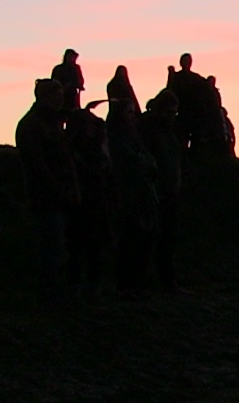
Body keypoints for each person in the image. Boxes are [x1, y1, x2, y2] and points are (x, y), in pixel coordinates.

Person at [15, 79, 79, 293]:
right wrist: (57, 188)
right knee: (48, 246)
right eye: (55, 95)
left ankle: (56, 290)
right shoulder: (33, 125)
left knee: (59, 246)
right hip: (45, 196)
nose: (60, 100)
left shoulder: (51, 123)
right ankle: (48, 292)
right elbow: (37, 164)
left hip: (60, 193)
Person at [107, 91, 160, 295]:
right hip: (127, 196)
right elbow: (132, 163)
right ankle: (127, 283)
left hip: (143, 195)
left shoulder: (134, 137)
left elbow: (146, 159)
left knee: (144, 239)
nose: (132, 116)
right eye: (128, 113)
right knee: (130, 239)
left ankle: (139, 281)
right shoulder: (116, 138)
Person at [66, 102, 112, 297]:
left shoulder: (96, 148)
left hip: (96, 200)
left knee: (94, 246)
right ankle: (77, 285)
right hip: (79, 201)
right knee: (78, 246)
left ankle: (91, 284)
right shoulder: (73, 151)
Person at [141, 79, 182, 289]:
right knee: (151, 237)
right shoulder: (149, 128)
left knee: (168, 237)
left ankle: (166, 278)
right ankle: (149, 279)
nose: (171, 116)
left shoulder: (168, 131)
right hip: (155, 191)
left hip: (170, 189)